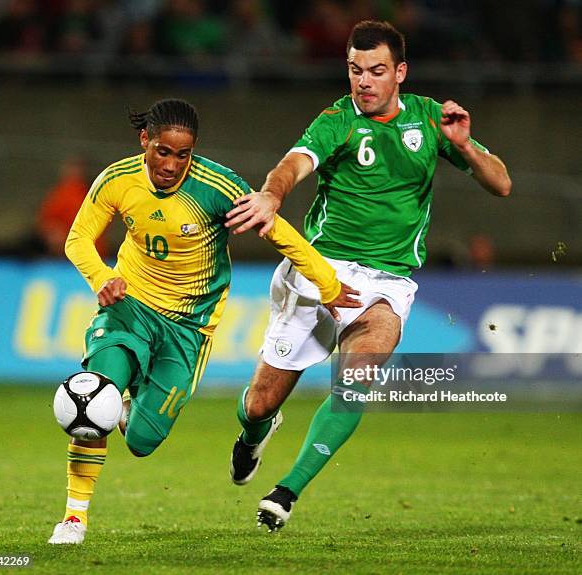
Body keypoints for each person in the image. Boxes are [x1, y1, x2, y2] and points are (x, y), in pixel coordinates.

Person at [226, 19, 512, 531]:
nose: (364, 81)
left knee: (358, 378)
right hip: (320, 273)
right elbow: (292, 164)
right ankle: (253, 434)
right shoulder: (337, 120)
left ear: (400, 72)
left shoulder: (431, 119)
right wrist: (272, 195)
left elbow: (502, 185)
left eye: (377, 71)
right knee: (258, 403)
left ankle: (285, 493)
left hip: (387, 283)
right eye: (355, 70)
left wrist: (466, 147)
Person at [47, 98, 361, 545]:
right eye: (162, 151)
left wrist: (327, 284)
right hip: (128, 309)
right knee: (93, 398)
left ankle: (135, 404)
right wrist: (102, 276)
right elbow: (78, 238)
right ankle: (73, 520)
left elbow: (276, 229)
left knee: (142, 441)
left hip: (187, 329)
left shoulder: (218, 188)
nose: (172, 165)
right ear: (145, 141)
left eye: (183, 154)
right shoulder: (117, 180)